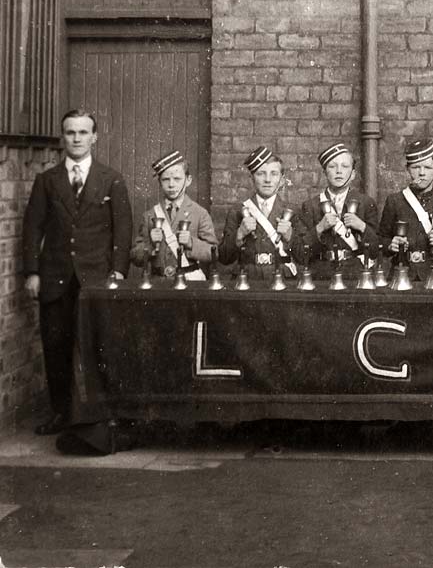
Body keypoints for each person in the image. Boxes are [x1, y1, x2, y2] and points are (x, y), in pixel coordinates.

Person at [22, 110, 133, 435]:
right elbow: (32, 227)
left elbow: (122, 231)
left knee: (95, 346)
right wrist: (32, 272)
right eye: (70, 132)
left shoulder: (111, 179)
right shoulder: (47, 180)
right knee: (56, 346)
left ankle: (97, 414)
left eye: (83, 132)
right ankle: (60, 413)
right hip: (55, 278)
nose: (76, 138)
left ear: (94, 137)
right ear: (62, 137)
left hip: (96, 279)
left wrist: (119, 272)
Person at [379, 139, 433, 282]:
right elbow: (381, 240)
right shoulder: (394, 201)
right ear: (407, 170)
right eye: (416, 167)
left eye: (428, 168)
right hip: (401, 274)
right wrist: (390, 245)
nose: (422, 173)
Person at [293, 142, 379, 280]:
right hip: (321, 274)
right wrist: (319, 228)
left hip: (355, 273)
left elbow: (376, 250)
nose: (339, 171)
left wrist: (362, 227)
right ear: (324, 173)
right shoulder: (310, 206)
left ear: (353, 174)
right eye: (332, 166)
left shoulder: (366, 203)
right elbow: (300, 254)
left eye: (345, 166)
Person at [129, 150, 218, 282]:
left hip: (189, 281)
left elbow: (214, 253)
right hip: (158, 283)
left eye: (177, 179)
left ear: (188, 180)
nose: (171, 185)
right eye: (165, 179)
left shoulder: (200, 213)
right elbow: (135, 256)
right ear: (159, 182)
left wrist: (191, 243)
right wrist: (150, 245)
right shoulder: (150, 215)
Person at [219, 146, 296, 281]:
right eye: (261, 173)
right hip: (247, 278)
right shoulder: (237, 211)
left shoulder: (292, 211)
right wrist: (239, 235)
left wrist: (290, 236)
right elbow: (224, 258)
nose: (267, 179)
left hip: (282, 278)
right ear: (251, 179)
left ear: (282, 180)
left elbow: (304, 256)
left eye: (274, 174)